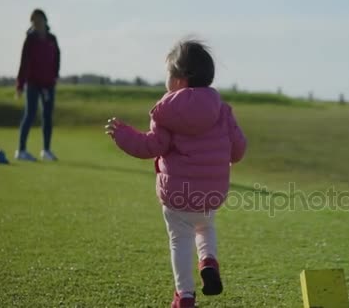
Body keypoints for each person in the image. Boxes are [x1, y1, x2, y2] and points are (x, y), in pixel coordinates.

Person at [105, 39, 247, 308]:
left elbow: (150, 146)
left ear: (181, 79)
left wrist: (123, 134)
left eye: (168, 74)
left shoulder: (166, 111)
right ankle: (208, 261)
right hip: (211, 193)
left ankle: (184, 295)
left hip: (177, 195)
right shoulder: (222, 109)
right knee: (205, 226)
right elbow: (238, 150)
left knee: (180, 240)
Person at [15, 8, 60, 161]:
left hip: (48, 84)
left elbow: (57, 59)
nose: (36, 23)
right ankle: (21, 150)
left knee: (47, 117)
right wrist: (20, 85)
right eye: (33, 21)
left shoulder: (52, 39)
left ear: (45, 21)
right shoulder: (30, 40)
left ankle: (46, 150)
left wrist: (54, 77)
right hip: (33, 83)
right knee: (30, 114)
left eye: (39, 20)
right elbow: (24, 63)